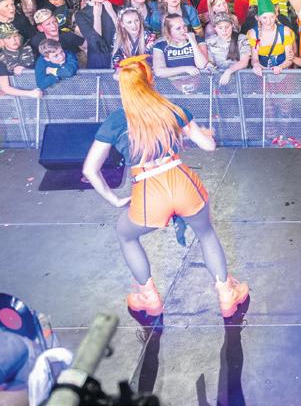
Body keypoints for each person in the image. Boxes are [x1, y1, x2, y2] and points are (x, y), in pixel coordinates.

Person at [81, 56, 249, 318]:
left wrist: (114, 200)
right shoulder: (171, 108)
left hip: (149, 190)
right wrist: (205, 133)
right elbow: (209, 146)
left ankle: (148, 297)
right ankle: (227, 294)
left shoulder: (116, 121)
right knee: (206, 234)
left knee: (126, 235)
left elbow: (89, 170)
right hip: (182, 182)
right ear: (150, 81)